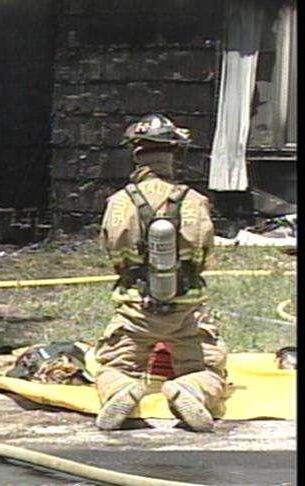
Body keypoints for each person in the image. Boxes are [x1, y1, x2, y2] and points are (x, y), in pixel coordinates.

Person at [94, 114, 228, 432]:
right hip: (185, 310)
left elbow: (114, 254)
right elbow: (203, 257)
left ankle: (121, 390)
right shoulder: (195, 202)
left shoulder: (118, 202)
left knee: (112, 366)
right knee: (208, 369)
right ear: (173, 154)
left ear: (136, 153)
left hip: (135, 308)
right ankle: (190, 390)